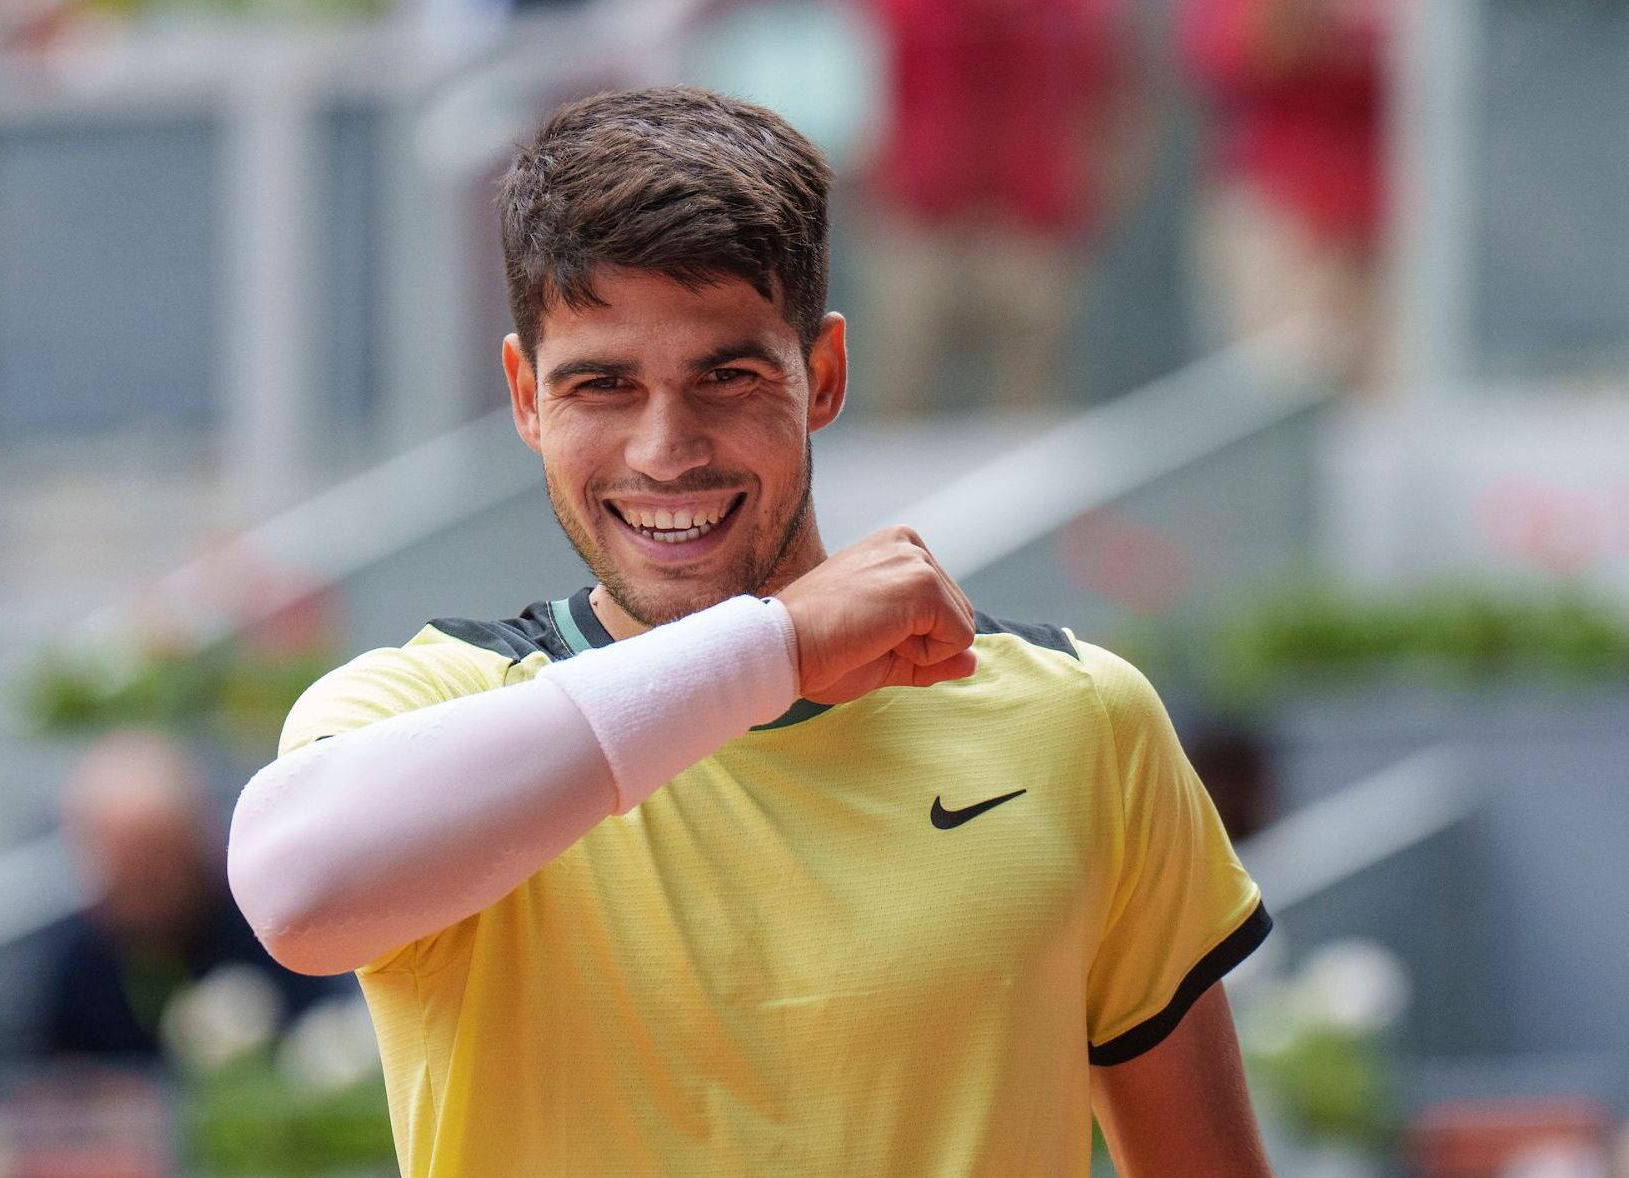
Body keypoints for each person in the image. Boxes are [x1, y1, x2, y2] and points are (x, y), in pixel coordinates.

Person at [228, 87, 1274, 1175]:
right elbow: (293, 891)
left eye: (725, 376)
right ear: (525, 396)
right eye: (601, 385)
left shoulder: (1080, 717)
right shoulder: (424, 705)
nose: (665, 450)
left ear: (822, 375)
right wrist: (776, 648)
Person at [861, 0, 1141, 415]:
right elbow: (855, 92)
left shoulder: (1077, 13)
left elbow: (1114, 104)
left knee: (1034, 408)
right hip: (920, 228)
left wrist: (1089, 201)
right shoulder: (900, 10)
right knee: (894, 396)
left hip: (1034, 232)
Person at [43, 729, 337, 1059]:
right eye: (124, 873)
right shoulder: (80, 962)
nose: (143, 898)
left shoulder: (267, 928)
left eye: (156, 866)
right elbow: (52, 1070)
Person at [1183, 0, 1389, 390]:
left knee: (1383, 393)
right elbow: (1232, 51)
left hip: (1390, 224)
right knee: (1287, 379)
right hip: (1289, 216)